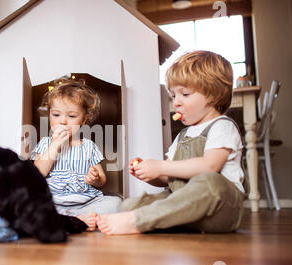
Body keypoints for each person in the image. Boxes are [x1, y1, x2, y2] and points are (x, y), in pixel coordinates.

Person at [97, 50, 245, 235]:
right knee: (130, 204)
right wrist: (152, 174)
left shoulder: (222, 126)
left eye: (185, 94)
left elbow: (210, 166)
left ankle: (139, 221)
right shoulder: (183, 135)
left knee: (210, 182)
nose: (176, 103)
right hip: (185, 204)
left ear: (212, 95)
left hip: (220, 207)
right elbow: (172, 178)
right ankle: (150, 217)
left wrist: (161, 166)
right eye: (173, 95)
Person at [31, 78, 121, 231]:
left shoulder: (88, 146)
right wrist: (54, 145)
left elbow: (102, 179)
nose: (63, 122)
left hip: (85, 202)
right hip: (53, 201)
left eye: (71, 116)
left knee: (116, 203)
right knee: (30, 204)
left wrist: (95, 178)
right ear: (49, 115)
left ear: (83, 120)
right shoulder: (46, 143)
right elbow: (37, 173)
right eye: (56, 115)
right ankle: (75, 220)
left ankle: (74, 219)